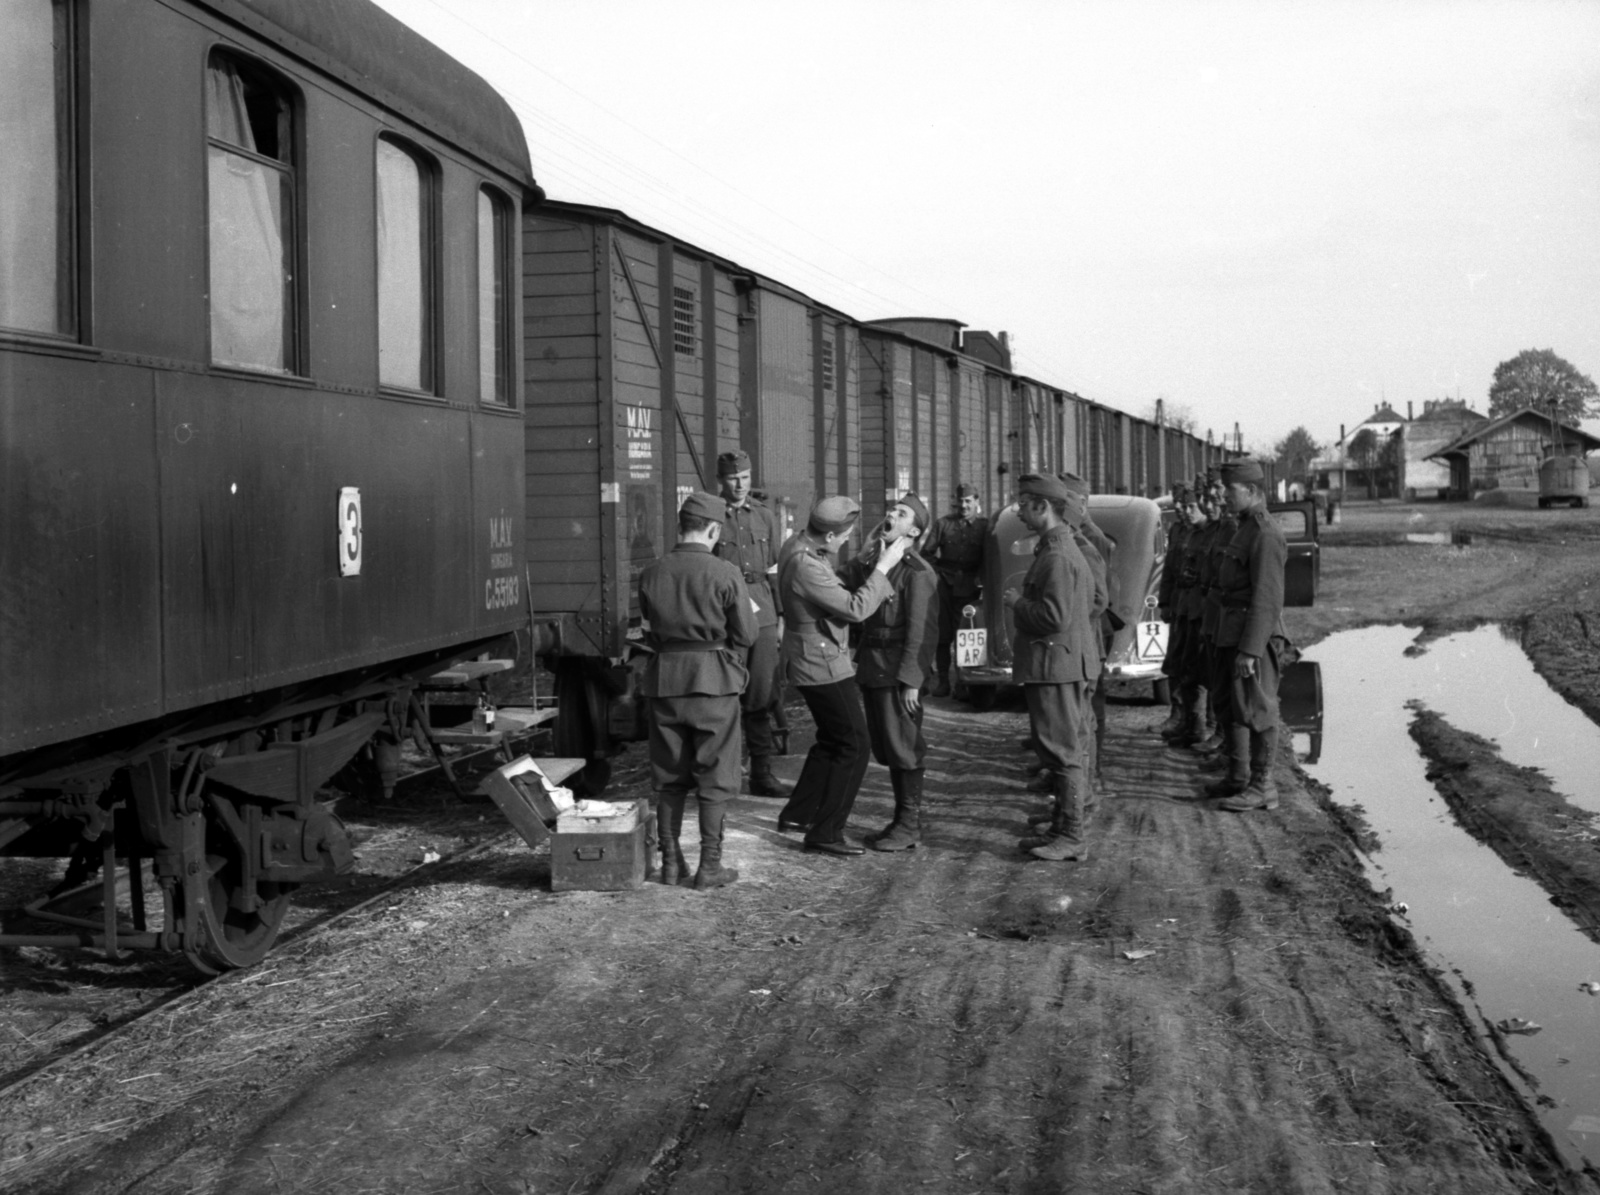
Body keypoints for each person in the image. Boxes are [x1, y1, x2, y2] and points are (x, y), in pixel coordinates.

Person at [637, 492, 759, 889]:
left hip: (665, 683)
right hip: (713, 683)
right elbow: (746, 633)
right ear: (714, 529)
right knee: (715, 775)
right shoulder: (725, 572)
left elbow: (647, 631)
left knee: (670, 777)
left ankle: (672, 865)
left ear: (680, 526)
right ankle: (710, 867)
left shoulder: (651, 572)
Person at [775, 496, 907, 857]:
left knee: (832, 739)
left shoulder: (798, 545)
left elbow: (827, 584)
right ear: (830, 536)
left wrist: (862, 558)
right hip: (821, 664)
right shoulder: (807, 564)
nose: (846, 540)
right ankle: (826, 832)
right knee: (854, 744)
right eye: (845, 536)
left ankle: (799, 813)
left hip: (809, 658)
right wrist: (883, 566)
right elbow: (855, 608)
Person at [1005, 475, 1100, 862]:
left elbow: (1054, 616)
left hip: (1055, 665)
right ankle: (1062, 828)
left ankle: (1071, 836)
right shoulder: (1057, 548)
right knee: (1061, 749)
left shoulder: (1058, 556)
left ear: (1043, 507)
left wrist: (1016, 604)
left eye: (1024, 504)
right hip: (1058, 662)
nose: (1019, 511)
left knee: (1062, 753)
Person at [840, 494, 938, 852]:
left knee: (904, 746)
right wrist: (869, 553)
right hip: (874, 667)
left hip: (897, 673)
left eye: (901, 513)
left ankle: (909, 824)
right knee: (888, 746)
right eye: (890, 510)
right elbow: (845, 582)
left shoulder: (918, 573)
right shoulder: (878, 563)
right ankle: (901, 821)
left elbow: (923, 632)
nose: (890, 515)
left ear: (913, 530)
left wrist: (912, 681)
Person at [1206, 459, 1290, 811]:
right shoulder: (1244, 528)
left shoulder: (1265, 533)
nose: (1223, 495)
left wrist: (1251, 650)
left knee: (1258, 709)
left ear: (1253, 492)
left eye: (1230, 489)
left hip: (1251, 638)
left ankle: (1263, 786)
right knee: (1231, 706)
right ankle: (1238, 777)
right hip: (1231, 632)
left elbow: (1267, 599)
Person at [714, 451, 789, 797]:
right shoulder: (711, 516)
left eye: (744, 476)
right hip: (726, 610)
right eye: (732, 478)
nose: (740, 484)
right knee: (726, 694)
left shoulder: (765, 516)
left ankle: (762, 772)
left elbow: (775, 569)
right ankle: (724, 776)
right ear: (722, 480)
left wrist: (781, 615)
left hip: (762, 610)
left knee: (761, 693)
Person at [921, 482, 988, 697]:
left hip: (970, 587)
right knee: (943, 635)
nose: (964, 505)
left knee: (968, 634)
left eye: (968, 501)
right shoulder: (943, 524)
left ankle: (963, 681)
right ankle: (943, 681)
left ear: (977, 502)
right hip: (945, 586)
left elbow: (990, 558)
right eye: (960, 501)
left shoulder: (985, 527)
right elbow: (926, 554)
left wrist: (981, 576)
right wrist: (938, 574)